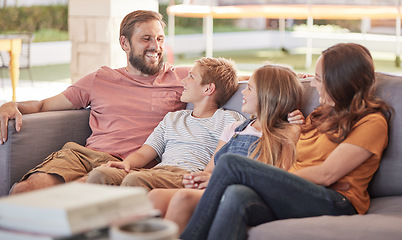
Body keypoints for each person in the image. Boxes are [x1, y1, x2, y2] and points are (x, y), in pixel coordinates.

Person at [180, 43, 393, 240]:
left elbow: (326, 174)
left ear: (338, 80)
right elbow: (292, 160)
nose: (313, 84)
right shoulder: (321, 114)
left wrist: (264, 179)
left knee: (230, 164)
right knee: (237, 195)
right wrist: (293, 133)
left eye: (318, 78)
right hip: (299, 192)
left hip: (337, 201)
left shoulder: (372, 122)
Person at [1, 10, 192, 194]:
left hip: (130, 166)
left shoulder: (181, 78)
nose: (156, 47)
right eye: (146, 38)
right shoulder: (100, 79)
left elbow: (220, 71)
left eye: (160, 39)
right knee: (23, 191)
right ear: (124, 43)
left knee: (73, 193)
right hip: (84, 157)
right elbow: (42, 106)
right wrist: (13, 105)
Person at [147, 64, 304, 232]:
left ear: (269, 95)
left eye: (249, 88)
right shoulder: (235, 128)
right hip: (217, 186)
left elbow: (280, 177)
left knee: (183, 197)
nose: (243, 92)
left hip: (245, 192)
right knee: (155, 195)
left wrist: (296, 127)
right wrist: (198, 178)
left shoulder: (286, 132)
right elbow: (210, 170)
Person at [85, 57, 245, 189]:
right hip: (157, 172)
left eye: (191, 76)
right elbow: (145, 152)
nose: (183, 81)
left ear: (208, 89)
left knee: (135, 181)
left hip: (186, 176)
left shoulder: (230, 120)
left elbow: (227, 157)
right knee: (100, 174)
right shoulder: (173, 118)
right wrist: (126, 164)